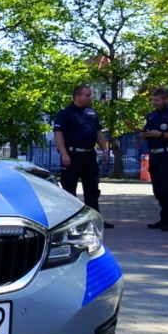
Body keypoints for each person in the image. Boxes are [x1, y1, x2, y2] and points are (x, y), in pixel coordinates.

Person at [54, 84, 114, 228]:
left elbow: (98, 133)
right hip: (72, 155)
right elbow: (58, 134)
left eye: (90, 95)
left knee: (92, 188)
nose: (90, 98)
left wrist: (105, 151)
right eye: (87, 95)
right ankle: (70, 222)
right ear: (77, 97)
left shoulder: (92, 113)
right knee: (69, 188)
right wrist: (64, 154)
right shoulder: (65, 113)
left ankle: (94, 220)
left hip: (89, 156)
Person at [140, 87, 168, 231]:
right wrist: (144, 135)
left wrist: (161, 134)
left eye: (156, 100)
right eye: (152, 100)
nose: (153, 102)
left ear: (167, 100)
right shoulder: (153, 115)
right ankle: (165, 218)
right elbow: (146, 131)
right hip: (155, 155)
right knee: (158, 189)